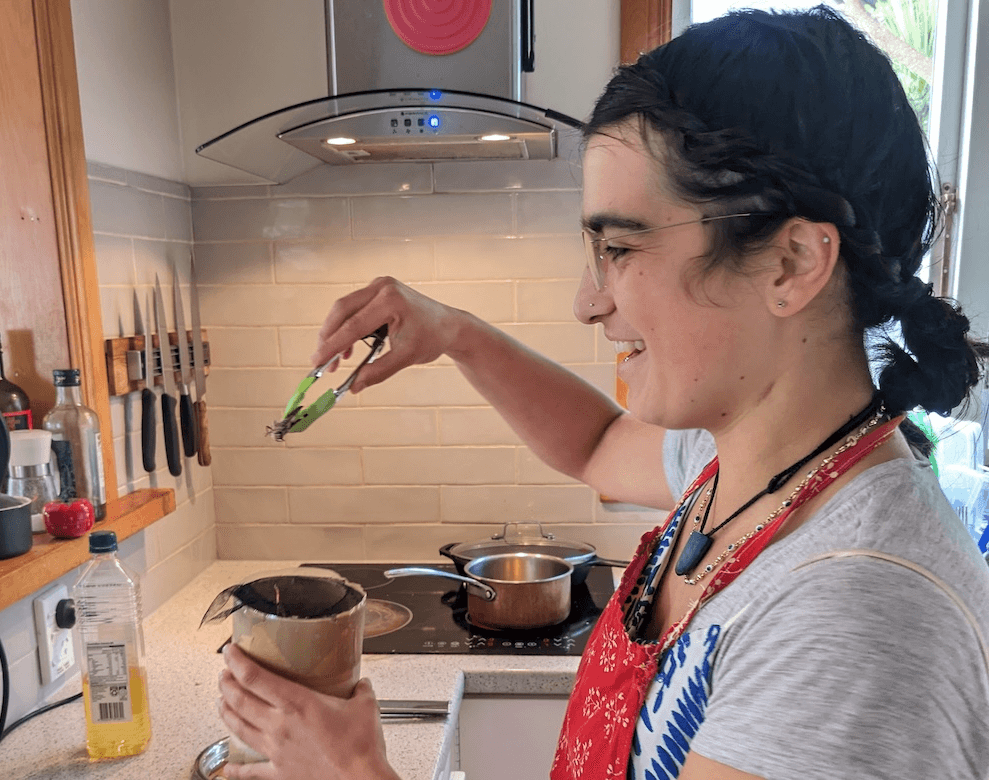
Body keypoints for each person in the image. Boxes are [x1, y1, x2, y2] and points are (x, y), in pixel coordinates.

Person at [217, 6, 989, 779]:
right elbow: (597, 445)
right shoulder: (747, 466)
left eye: (619, 247)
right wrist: (451, 332)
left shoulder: (854, 621)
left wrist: (351, 771)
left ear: (789, 264)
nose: (589, 301)